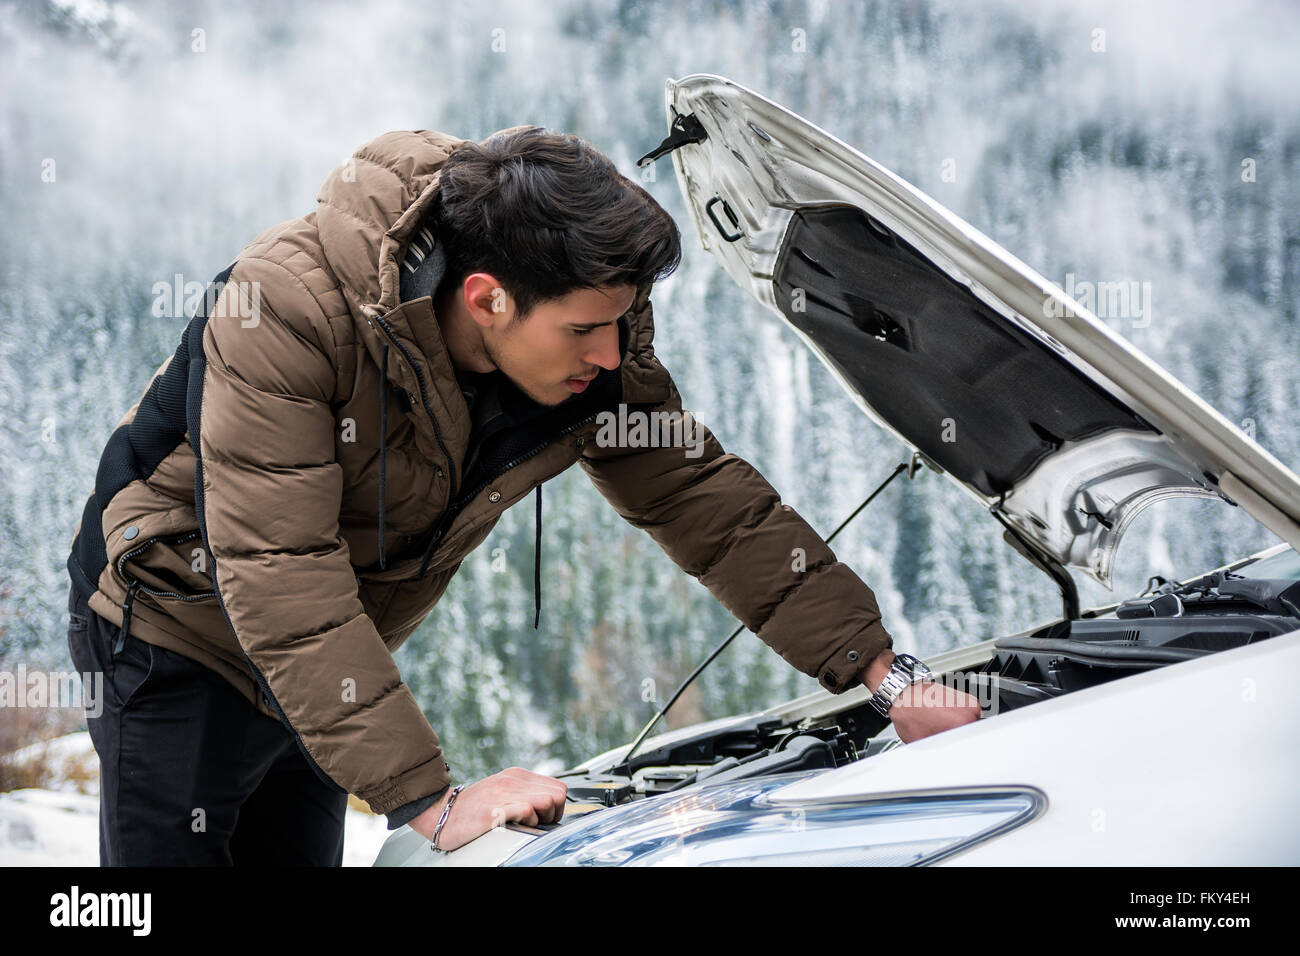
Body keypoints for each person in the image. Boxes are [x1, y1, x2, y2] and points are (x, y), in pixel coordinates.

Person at [65, 125, 981, 866]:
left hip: (330, 649)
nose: (611, 356)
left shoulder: (583, 317)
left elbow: (702, 498)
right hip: (171, 626)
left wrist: (886, 675)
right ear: (487, 298)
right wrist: (435, 802)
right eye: (587, 330)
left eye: (621, 325)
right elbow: (280, 573)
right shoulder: (286, 312)